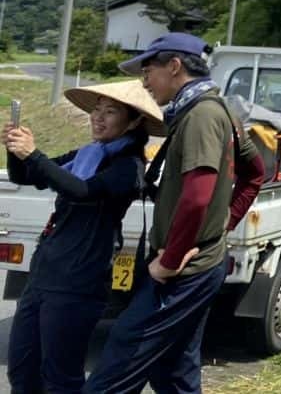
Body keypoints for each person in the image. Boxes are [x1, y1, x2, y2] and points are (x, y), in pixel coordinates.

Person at [83, 32, 265, 394]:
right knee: (175, 369)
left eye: (148, 70)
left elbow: (198, 197)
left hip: (182, 272)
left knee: (122, 354)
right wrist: (223, 224)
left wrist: (172, 258)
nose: (145, 81)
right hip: (200, 264)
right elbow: (255, 172)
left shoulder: (201, 116)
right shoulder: (220, 110)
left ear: (175, 66)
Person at [4, 80, 163, 394]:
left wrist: (33, 154)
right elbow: (27, 175)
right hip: (43, 275)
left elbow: (82, 191)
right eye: (96, 110)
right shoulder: (87, 153)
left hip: (78, 283)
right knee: (22, 372)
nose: (98, 117)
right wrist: (15, 150)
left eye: (110, 111)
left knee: (60, 379)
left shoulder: (128, 167)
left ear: (133, 122)